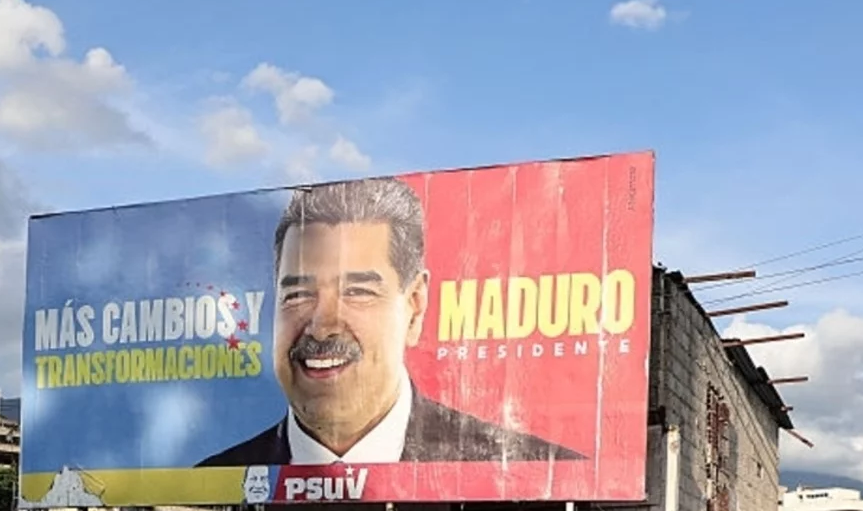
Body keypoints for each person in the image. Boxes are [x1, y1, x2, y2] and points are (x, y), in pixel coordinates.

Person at [198, 175, 585, 468]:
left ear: (414, 306)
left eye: (358, 292)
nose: (321, 326)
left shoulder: (528, 465)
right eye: (298, 295)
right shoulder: (219, 472)